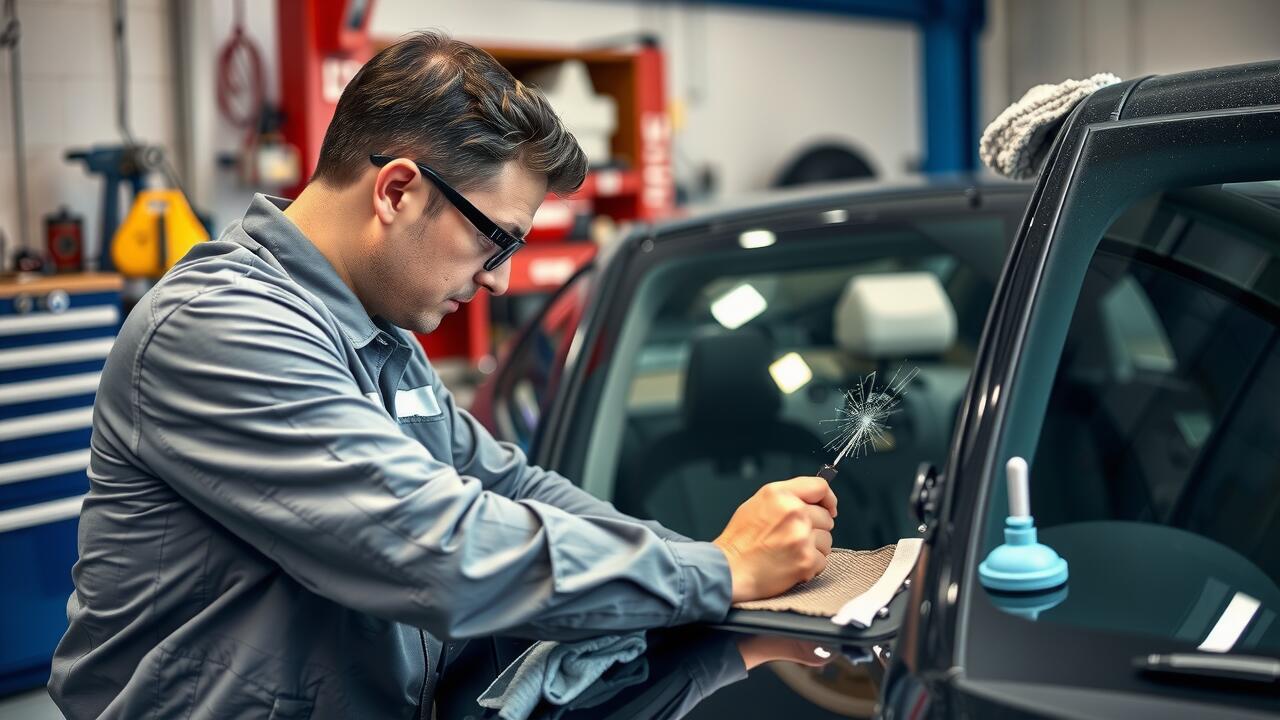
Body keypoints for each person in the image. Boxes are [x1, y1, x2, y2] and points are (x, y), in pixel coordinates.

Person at [48, 31, 837, 719]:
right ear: (397, 190)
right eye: (496, 241)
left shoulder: (381, 339)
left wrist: (726, 567)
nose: (497, 280)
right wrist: (717, 571)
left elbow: (511, 489)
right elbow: (439, 549)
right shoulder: (218, 330)